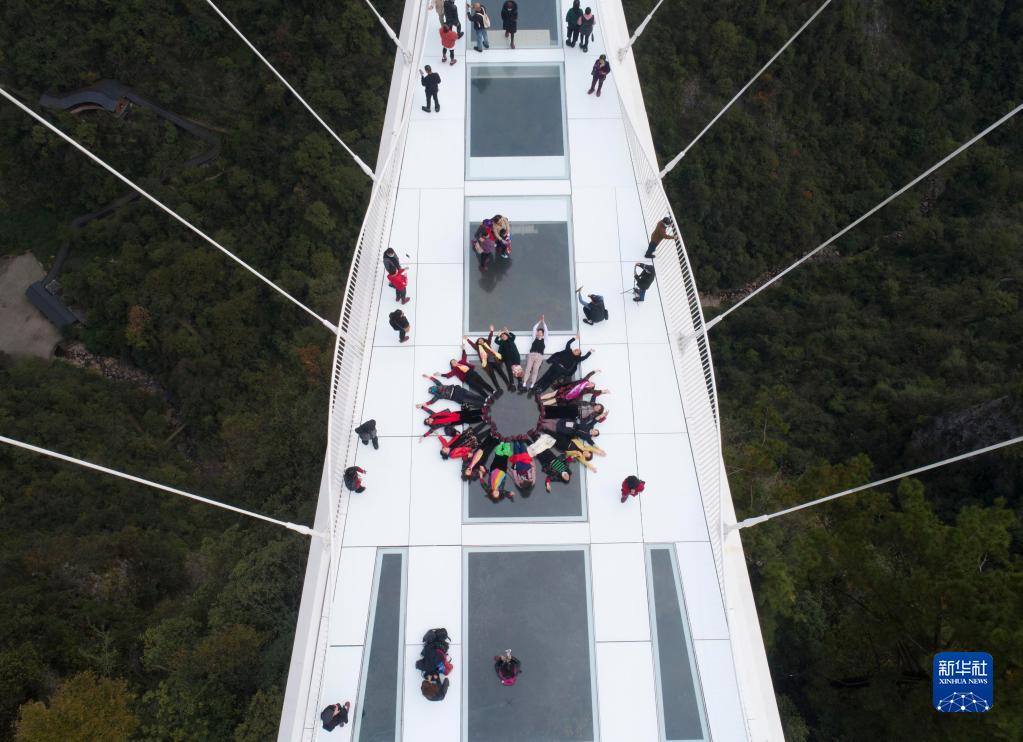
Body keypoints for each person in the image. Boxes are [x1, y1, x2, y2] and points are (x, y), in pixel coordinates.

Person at [417, 403, 484, 436]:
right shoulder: (434, 426)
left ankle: (481, 411)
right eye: (428, 422)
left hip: (453, 414)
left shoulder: (434, 415)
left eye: (428, 419)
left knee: (468, 413)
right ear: (429, 423)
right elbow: (430, 431)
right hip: (453, 421)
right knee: (468, 420)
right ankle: (481, 418)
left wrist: (422, 407)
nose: (429, 420)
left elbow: (428, 410)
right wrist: (423, 436)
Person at [422, 373, 486, 406]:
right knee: (470, 401)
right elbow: (431, 402)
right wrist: (422, 405)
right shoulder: (437, 396)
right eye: (433, 390)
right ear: (433, 392)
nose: (435, 388)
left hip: (458, 390)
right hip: (456, 397)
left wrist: (428, 376)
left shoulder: (439, 385)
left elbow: (435, 380)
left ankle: (485, 400)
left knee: (472, 395)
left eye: (433, 388)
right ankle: (484, 404)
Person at [521, 314, 548, 392]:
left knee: (535, 370)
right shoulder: (534, 339)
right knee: (528, 369)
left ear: (542, 334)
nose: (539, 333)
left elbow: (546, 331)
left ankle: (532, 384)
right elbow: (534, 328)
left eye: (540, 332)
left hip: (539, 356)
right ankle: (524, 383)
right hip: (531, 355)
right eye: (538, 332)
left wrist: (543, 322)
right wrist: (539, 321)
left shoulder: (545, 340)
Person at [494, 327, 520, 392]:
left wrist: (507, 331)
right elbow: (496, 341)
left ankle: (520, 383)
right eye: (502, 336)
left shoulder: (511, 339)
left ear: (507, 336)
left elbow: (513, 336)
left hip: (515, 357)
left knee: (517, 370)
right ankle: (512, 384)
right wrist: (499, 334)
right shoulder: (501, 342)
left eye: (504, 335)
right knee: (510, 371)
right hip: (507, 359)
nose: (503, 336)